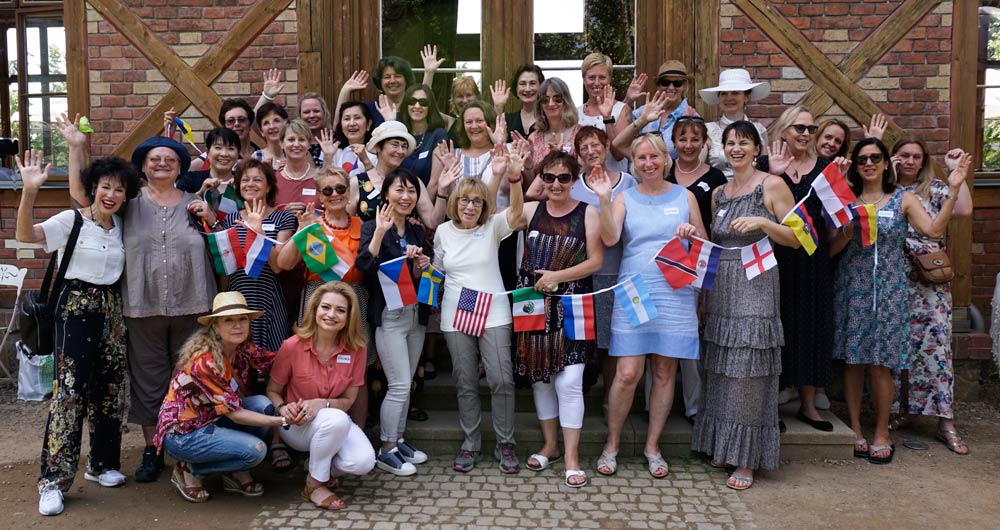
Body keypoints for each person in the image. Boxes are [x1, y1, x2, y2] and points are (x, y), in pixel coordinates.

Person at [60, 112, 220, 484]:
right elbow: (83, 197)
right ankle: (154, 449)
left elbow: (225, 245)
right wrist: (75, 148)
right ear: (143, 167)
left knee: (191, 378)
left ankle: (189, 447)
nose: (162, 163)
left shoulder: (197, 202)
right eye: (154, 159)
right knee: (149, 381)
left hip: (194, 305)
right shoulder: (128, 203)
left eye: (170, 159)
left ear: (181, 166)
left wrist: (211, 217)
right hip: (141, 306)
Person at [830, 138, 970, 465]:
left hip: (891, 290)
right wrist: (846, 232)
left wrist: (953, 190)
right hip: (853, 287)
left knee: (882, 364)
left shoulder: (902, 198)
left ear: (885, 163)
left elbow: (933, 231)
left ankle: (882, 432)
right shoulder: (846, 200)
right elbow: (829, 250)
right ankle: (855, 428)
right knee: (853, 362)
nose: (868, 163)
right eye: (862, 159)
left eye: (875, 157)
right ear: (855, 165)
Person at [16, 149, 140, 516]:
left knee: (110, 390)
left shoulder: (122, 225)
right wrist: (29, 191)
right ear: (93, 188)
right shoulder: (71, 220)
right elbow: (25, 235)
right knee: (69, 394)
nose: (111, 195)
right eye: (105, 187)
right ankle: (53, 480)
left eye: (119, 189)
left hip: (112, 309)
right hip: (75, 307)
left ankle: (102, 464)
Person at [692, 120, 800, 491]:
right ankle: (724, 445)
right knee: (722, 369)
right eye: (730, 143)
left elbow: (800, 238)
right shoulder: (718, 193)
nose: (736, 148)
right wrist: (704, 295)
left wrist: (763, 223)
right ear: (722, 149)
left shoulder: (771, 185)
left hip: (757, 284)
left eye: (744, 142)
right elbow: (713, 247)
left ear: (756, 148)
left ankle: (747, 458)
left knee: (747, 373)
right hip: (723, 285)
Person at [591, 134, 706, 479]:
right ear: (633, 163)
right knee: (628, 373)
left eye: (654, 156)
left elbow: (705, 245)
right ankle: (612, 443)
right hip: (635, 290)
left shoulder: (685, 196)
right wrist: (604, 200)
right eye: (641, 158)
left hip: (676, 291)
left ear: (665, 159)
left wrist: (691, 235)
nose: (648, 163)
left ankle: (653, 447)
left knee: (664, 372)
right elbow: (609, 238)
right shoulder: (624, 197)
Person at [511, 151, 604, 488]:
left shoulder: (587, 212)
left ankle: (572, 458)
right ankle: (550, 446)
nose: (555, 184)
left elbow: (595, 260)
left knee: (569, 382)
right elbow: (510, 219)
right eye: (548, 177)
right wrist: (514, 177)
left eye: (563, 178)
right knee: (540, 378)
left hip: (573, 305)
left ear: (574, 180)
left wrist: (557, 276)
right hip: (532, 303)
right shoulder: (531, 210)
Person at [432, 146, 525, 473]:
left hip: (494, 311)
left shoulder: (493, 227)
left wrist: (515, 178)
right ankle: (471, 442)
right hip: (455, 314)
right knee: (465, 381)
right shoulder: (443, 232)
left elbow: (518, 214)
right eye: (464, 200)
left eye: (477, 201)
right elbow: (437, 272)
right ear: (454, 203)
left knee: (501, 380)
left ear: (485, 206)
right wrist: (421, 268)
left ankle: (505, 442)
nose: (470, 206)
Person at [154, 292, 286, 503]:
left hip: (213, 419)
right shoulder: (205, 362)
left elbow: (276, 361)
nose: (237, 325)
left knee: (263, 405)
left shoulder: (242, 347)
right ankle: (190, 469)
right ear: (215, 326)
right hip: (185, 434)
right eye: (228, 320)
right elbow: (236, 415)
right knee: (256, 452)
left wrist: (304, 344)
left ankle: (234, 472)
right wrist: (282, 421)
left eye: (242, 319)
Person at [888, 139, 973, 455]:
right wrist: (888, 173)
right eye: (904, 156)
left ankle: (945, 421)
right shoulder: (886, 190)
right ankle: (907, 410)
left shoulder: (935, 188)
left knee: (936, 348)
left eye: (916, 157)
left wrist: (956, 175)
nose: (910, 161)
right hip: (895, 278)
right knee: (899, 347)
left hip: (929, 280)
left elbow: (963, 210)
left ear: (923, 160)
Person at [276, 166, 374, 430]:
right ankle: (304, 427)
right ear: (319, 195)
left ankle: (357, 432)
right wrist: (302, 232)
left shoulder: (362, 225)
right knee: (311, 365)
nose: (334, 194)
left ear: (348, 192)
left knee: (356, 372)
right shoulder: (313, 227)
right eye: (327, 190)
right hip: (318, 298)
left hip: (354, 299)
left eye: (340, 189)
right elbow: (283, 263)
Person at [267, 282, 377, 510]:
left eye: (340, 310)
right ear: (314, 309)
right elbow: (272, 391)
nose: (331, 315)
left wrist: (321, 404)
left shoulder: (357, 349)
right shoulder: (291, 346)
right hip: (296, 425)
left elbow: (349, 400)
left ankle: (321, 469)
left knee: (364, 462)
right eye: (325, 307)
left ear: (349, 317)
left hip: (336, 420)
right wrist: (282, 408)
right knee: (336, 419)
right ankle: (314, 485)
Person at [758, 106, 835, 431]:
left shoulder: (826, 169)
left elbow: (837, 218)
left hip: (812, 259)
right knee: (775, 327)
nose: (806, 134)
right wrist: (774, 173)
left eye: (811, 129)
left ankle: (808, 406)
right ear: (785, 130)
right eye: (799, 128)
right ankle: (769, 406)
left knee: (809, 327)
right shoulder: (764, 165)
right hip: (773, 257)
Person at [356, 168, 433, 476]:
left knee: (407, 383)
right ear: (386, 193)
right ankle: (386, 449)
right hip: (389, 316)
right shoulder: (372, 226)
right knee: (399, 385)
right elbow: (364, 265)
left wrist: (420, 265)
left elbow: (415, 279)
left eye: (411, 191)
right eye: (399, 190)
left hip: (415, 313)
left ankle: (398, 440)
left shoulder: (416, 231)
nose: (406, 196)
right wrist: (379, 231)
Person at [665, 116, 727, 426]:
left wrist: (708, 283)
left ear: (705, 143)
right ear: (673, 143)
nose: (688, 145)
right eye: (682, 139)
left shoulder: (716, 178)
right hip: (663, 263)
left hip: (696, 263)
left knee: (691, 334)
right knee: (660, 334)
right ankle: (654, 403)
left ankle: (694, 406)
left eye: (694, 139)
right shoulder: (663, 173)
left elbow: (715, 229)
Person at [219, 159, 296, 352]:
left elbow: (277, 266)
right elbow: (226, 267)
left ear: (268, 187)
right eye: (245, 180)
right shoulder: (230, 219)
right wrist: (221, 299)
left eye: (257, 180)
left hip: (269, 296)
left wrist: (258, 232)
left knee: (272, 357)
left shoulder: (283, 217)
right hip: (237, 296)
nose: (250, 184)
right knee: (237, 355)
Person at [353, 120, 437, 224]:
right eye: (395, 145)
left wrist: (442, 190)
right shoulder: (357, 182)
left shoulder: (413, 182)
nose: (400, 151)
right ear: (378, 147)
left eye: (404, 146)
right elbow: (344, 221)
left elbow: (432, 223)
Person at [617, 60, 698, 158]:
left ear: (684, 86)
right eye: (665, 82)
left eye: (677, 83)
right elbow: (619, 136)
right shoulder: (644, 111)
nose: (671, 87)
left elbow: (694, 157)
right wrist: (627, 100)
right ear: (659, 85)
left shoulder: (692, 117)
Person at [699, 69, 770, 178]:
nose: (729, 98)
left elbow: (764, 169)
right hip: (717, 186)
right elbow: (697, 168)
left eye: (735, 93)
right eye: (724, 93)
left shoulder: (759, 130)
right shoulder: (707, 130)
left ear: (746, 97)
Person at [576, 52, 634, 172]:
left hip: (615, 180)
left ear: (610, 79)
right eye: (591, 77)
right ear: (584, 79)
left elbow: (619, 155)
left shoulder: (622, 110)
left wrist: (607, 118)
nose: (597, 83)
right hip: (584, 180)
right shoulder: (576, 113)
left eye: (602, 77)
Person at [527, 78, 582, 172]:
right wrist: (527, 164)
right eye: (545, 99)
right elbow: (529, 180)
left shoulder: (580, 134)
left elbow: (584, 173)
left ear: (566, 101)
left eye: (557, 99)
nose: (551, 103)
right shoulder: (533, 138)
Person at [399, 84, 449, 186]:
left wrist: (425, 197)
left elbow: (435, 182)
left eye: (423, 102)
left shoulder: (438, 135)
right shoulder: (399, 134)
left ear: (430, 107)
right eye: (412, 101)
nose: (417, 106)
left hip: (428, 194)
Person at [175, 127, 240, 195]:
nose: (224, 154)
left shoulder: (243, 181)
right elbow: (178, 201)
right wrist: (200, 193)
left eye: (231, 148)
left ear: (238, 153)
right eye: (218, 147)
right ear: (207, 152)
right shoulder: (190, 179)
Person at [274, 119, 319, 216]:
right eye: (291, 140)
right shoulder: (273, 181)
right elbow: (265, 214)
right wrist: (283, 213)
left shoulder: (321, 179)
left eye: (301, 139)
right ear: (281, 143)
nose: (296, 144)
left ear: (309, 144)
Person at [494, 64, 544, 140]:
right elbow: (497, 140)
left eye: (532, 83)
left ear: (541, 86)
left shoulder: (548, 118)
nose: (527, 89)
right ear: (516, 89)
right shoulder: (508, 120)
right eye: (522, 84)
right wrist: (499, 107)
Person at [329, 101, 377, 172]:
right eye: (347, 119)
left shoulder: (377, 152)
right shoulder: (334, 151)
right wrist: (328, 157)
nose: (352, 123)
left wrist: (366, 161)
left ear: (368, 124)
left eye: (357, 118)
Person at [252, 101, 289, 170]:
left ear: (286, 124)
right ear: (261, 131)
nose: (272, 126)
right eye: (266, 123)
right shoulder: (257, 157)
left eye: (276, 120)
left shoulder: (295, 153)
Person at [299, 92, 333, 167]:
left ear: (324, 113)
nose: (312, 115)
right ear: (300, 115)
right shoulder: (296, 144)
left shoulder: (334, 140)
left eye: (316, 111)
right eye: (306, 112)